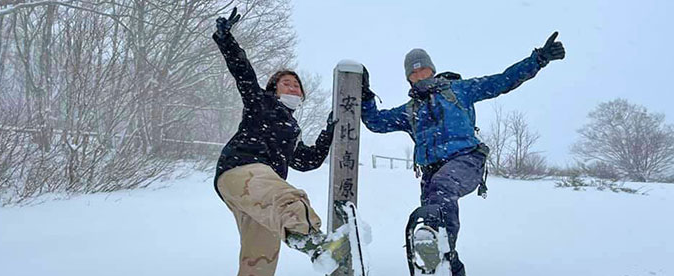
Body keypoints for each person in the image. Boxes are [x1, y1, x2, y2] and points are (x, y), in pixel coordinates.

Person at [360, 32, 566, 275]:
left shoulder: (459, 90)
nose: (419, 76)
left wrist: (538, 59)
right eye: (413, 73)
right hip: (432, 172)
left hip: (467, 160)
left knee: (442, 192)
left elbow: (502, 81)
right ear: (408, 79)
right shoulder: (409, 111)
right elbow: (376, 122)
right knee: (435, 217)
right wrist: (364, 95)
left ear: (432, 70)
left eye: (423, 70)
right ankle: (445, 263)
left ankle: (437, 244)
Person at [212, 8, 349, 276]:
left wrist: (328, 133)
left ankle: (299, 242)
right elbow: (244, 74)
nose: (293, 88)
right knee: (288, 199)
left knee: (261, 257)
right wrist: (225, 39)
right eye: (287, 83)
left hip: (254, 194)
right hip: (242, 169)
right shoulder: (260, 102)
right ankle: (316, 245)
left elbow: (306, 161)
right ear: (274, 88)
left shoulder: (291, 129)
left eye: (297, 86)